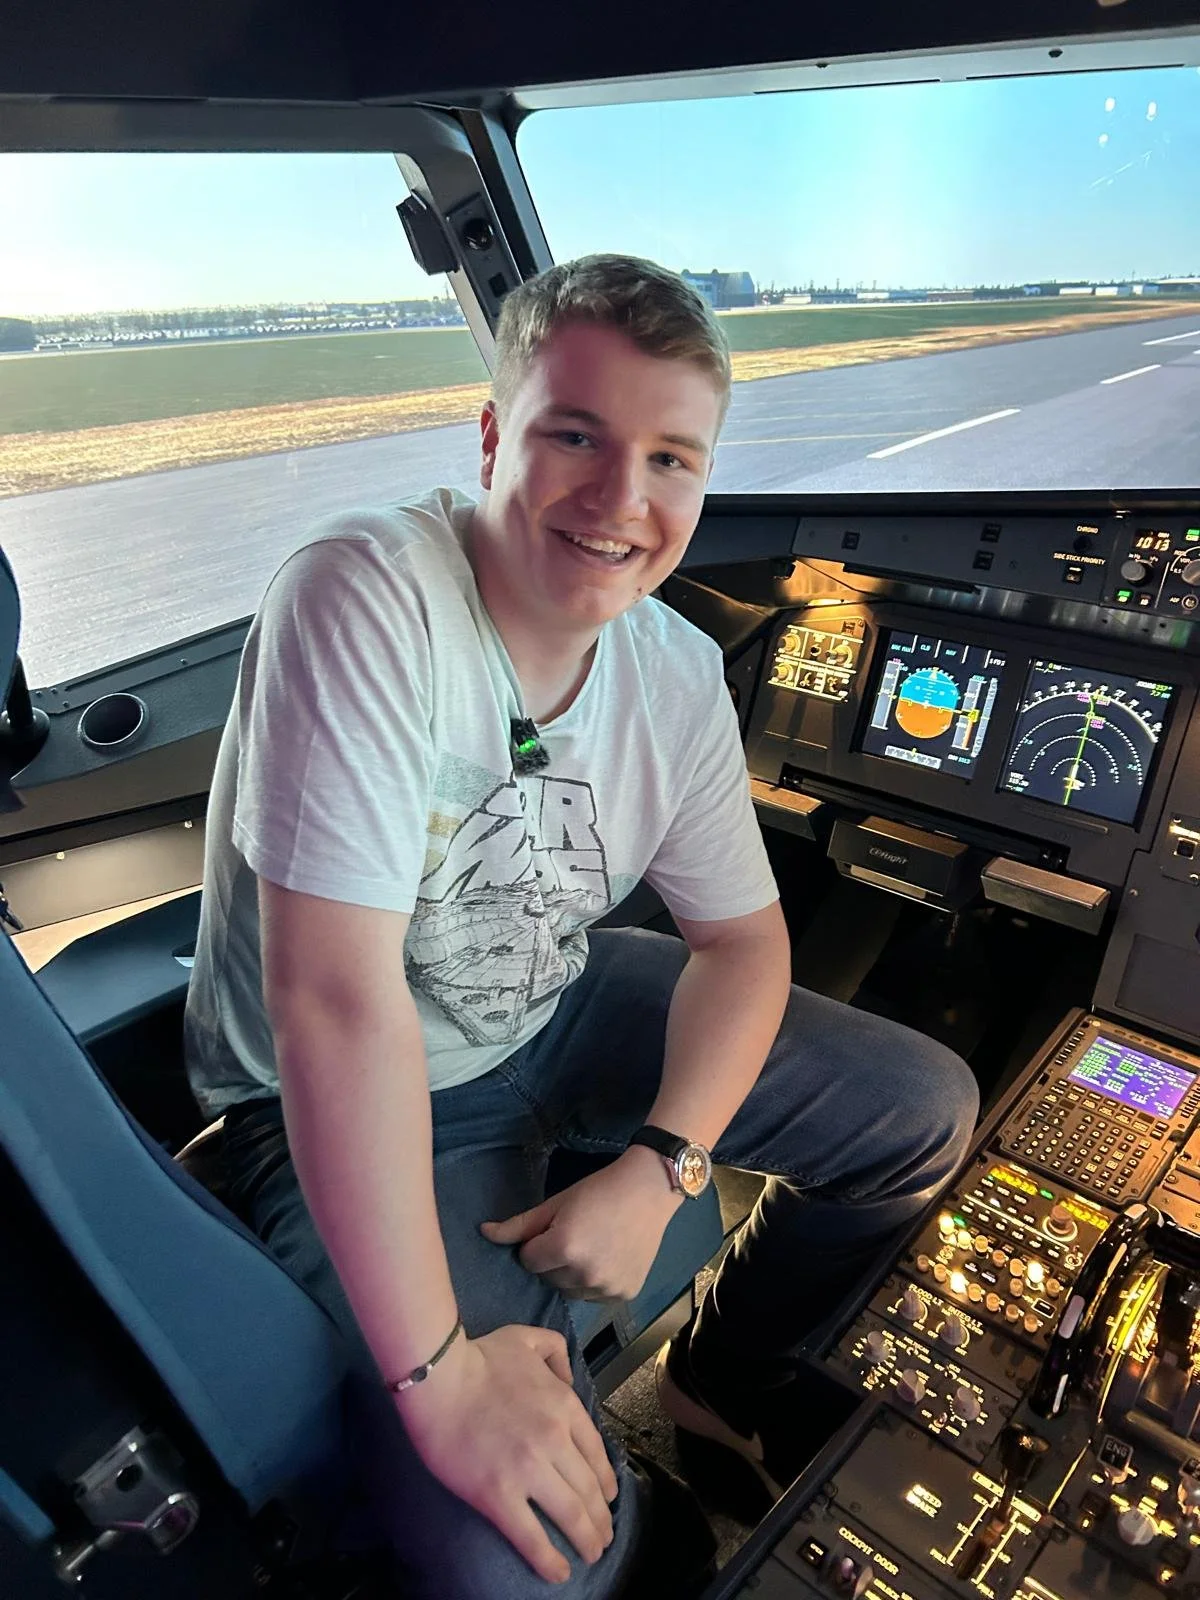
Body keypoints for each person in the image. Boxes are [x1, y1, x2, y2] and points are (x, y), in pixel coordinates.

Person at [184, 253, 978, 1598]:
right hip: (335, 1078)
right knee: (536, 1560)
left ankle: (716, 1379)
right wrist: (440, 1385)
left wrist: (665, 1164)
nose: (625, 501)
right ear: (494, 435)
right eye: (575, 436)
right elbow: (337, 1003)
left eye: (673, 458)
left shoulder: (670, 669)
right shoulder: (366, 595)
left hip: (552, 996)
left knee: (924, 1112)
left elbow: (747, 946)